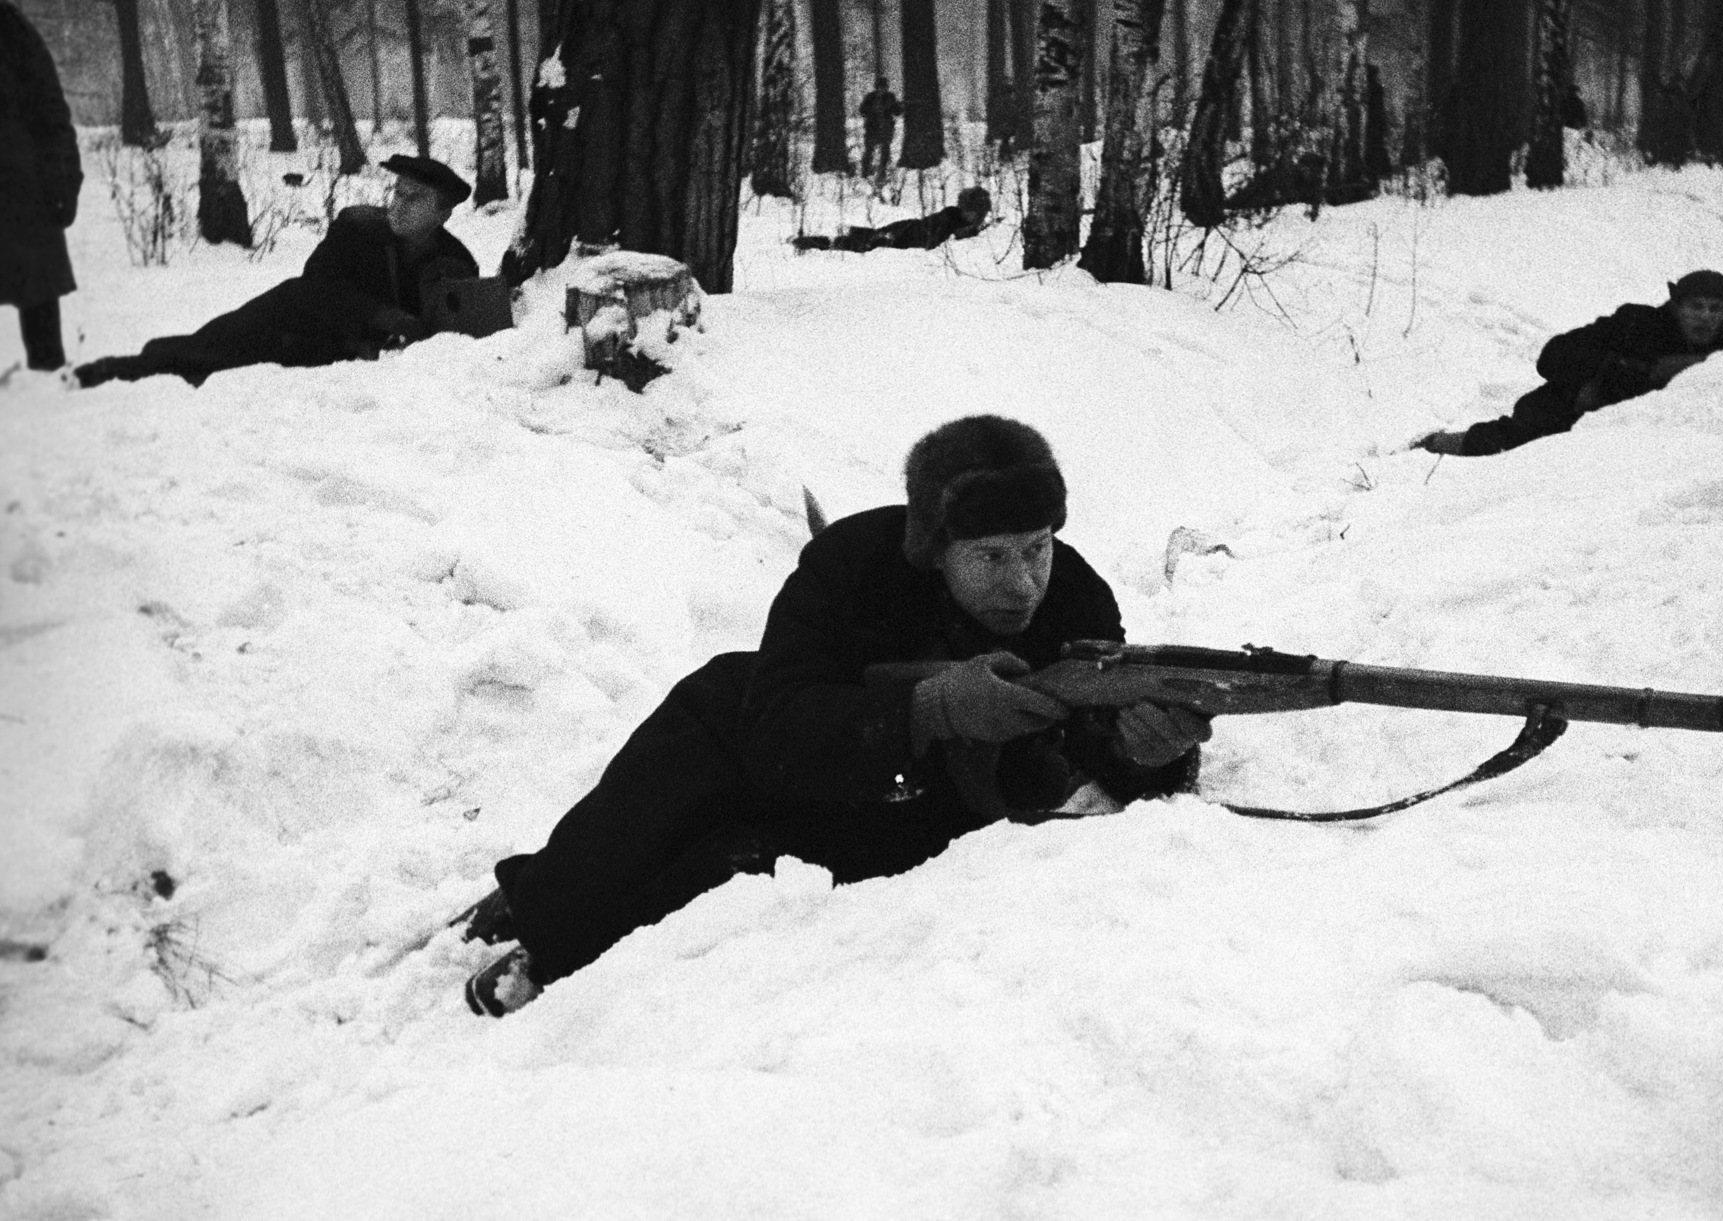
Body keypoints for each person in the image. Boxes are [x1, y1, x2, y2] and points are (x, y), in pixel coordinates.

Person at [462, 415, 1213, 1017]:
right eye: (990, 557)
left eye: (1037, 548)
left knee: (735, 858)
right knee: (676, 767)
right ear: (937, 546)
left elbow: (1094, 743)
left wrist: (1153, 751)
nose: (1024, 582)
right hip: (769, 734)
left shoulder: (1077, 596)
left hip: (895, 809)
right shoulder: (851, 566)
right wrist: (929, 707)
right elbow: (776, 726)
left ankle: (571, 947)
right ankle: (545, 905)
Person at [74, 155, 478, 388]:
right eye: (397, 192)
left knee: (233, 368)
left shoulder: (455, 262)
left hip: (330, 361)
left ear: (443, 212)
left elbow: (456, 328)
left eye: (415, 198)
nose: (398, 203)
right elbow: (316, 285)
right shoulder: (357, 227)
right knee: (208, 351)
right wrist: (378, 314)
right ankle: (121, 369)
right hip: (296, 319)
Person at [1416, 270, 1723, 458]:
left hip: (1633, 440)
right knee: (1506, 445)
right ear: (1676, 305)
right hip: (1566, 409)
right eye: (1696, 306)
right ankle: (1435, 445)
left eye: (1716, 308)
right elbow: (1551, 358)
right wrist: (1615, 372)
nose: (1706, 316)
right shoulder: (1635, 323)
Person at [0, 1, 83, 373]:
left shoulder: (12, 30)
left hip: (22, 197)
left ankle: (50, 407)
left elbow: (51, 111)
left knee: (44, 346)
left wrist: (64, 180)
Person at [792, 186, 991, 254]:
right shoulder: (949, 219)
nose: (976, 217)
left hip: (904, 230)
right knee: (861, 246)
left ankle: (822, 240)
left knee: (865, 240)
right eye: (974, 212)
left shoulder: (956, 218)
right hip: (901, 235)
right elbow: (934, 243)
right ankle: (814, 242)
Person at [859, 77, 902, 179]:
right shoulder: (870, 97)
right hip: (872, 128)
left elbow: (896, 112)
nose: (882, 89)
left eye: (884, 87)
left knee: (885, 151)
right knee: (869, 151)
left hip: (886, 128)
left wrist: (900, 106)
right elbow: (862, 110)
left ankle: (882, 172)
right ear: (877, 87)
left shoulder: (890, 97)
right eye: (880, 87)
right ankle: (865, 173)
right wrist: (872, 111)